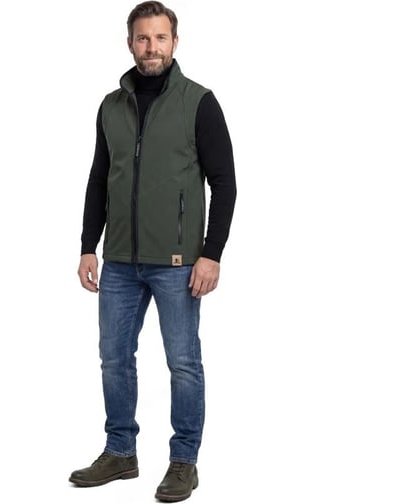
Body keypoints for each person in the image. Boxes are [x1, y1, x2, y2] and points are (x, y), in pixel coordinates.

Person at [70, 1, 237, 501]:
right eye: (143, 38)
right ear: (130, 43)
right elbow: (99, 179)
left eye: (160, 38)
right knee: (113, 358)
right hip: (119, 260)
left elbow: (225, 183)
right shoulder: (110, 106)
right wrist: (88, 246)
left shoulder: (199, 101)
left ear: (175, 43)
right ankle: (121, 452)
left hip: (179, 263)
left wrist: (211, 253)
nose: (151, 48)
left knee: (183, 362)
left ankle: (184, 462)